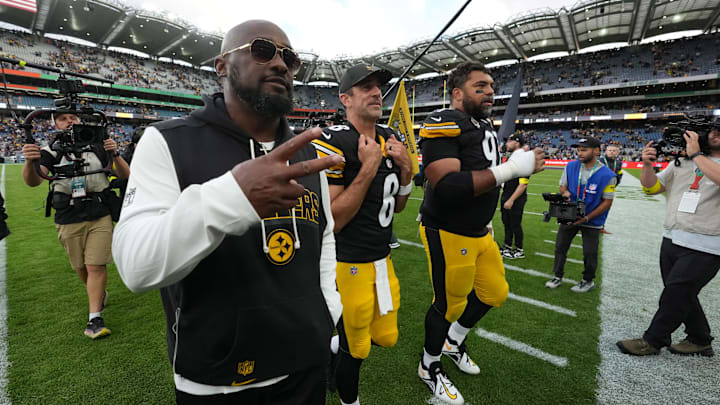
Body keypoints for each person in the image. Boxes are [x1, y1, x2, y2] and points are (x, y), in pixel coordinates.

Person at [111, 20, 342, 404]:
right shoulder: (168, 141)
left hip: (305, 364)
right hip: (218, 381)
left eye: (290, 58)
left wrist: (327, 310)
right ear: (221, 66)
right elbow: (137, 266)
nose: (281, 64)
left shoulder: (308, 153)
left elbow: (326, 237)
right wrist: (233, 196)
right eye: (263, 50)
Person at [416, 61, 544, 404]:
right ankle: (428, 366)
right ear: (457, 93)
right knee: (449, 304)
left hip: (478, 230)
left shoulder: (483, 123)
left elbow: (480, 175)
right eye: (480, 86)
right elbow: (447, 186)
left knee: (494, 293)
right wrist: (511, 169)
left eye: (491, 85)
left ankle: (452, 342)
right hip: (448, 229)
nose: (490, 91)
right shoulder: (444, 120)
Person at [312, 64, 412, 405]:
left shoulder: (389, 137)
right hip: (348, 262)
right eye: (365, 87)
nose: (375, 93)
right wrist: (369, 167)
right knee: (358, 351)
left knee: (386, 337)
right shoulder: (336, 142)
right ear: (345, 98)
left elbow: (397, 207)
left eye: (378, 87)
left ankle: (332, 344)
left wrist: (408, 171)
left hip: (382, 259)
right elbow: (333, 220)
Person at [21, 111, 130, 339]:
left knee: (96, 266)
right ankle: (99, 295)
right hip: (68, 214)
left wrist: (115, 154)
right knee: (80, 266)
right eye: (62, 118)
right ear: (55, 124)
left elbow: (126, 175)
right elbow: (34, 181)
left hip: (99, 211)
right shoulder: (51, 150)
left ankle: (94, 318)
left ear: (80, 121)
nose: (69, 121)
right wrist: (30, 162)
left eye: (73, 117)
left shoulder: (98, 145)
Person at [617, 127, 720, 356]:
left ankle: (653, 340)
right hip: (673, 237)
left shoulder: (695, 158)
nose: (716, 133)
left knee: (676, 292)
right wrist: (646, 165)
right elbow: (651, 188)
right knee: (681, 293)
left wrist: (696, 155)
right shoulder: (681, 162)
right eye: (713, 129)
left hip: (708, 242)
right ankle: (700, 338)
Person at [544, 136, 616, 293]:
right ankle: (557, 276)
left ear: (596, 151)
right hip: (569, 214)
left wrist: (587, 217)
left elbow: (607, 202)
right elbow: (563, 186)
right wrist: (566, 193)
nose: (580, 153)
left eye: (584, 150)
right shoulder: (570, 166)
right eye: (578, 150)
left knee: (590, 252)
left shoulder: (608, 174)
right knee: (560, 247)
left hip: (592, 219)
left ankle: (588, 280)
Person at [500, 133, 531, 259]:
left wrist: (511, 200)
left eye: (509, 141)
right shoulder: (513, 158)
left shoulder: (524, 160)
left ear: (517, 143)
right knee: (506, 223)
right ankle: (507, 246)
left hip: (516, 198)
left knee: (515, 224)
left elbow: (523, 184)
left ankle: (519, 249)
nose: (506, 143)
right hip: (507, 194)